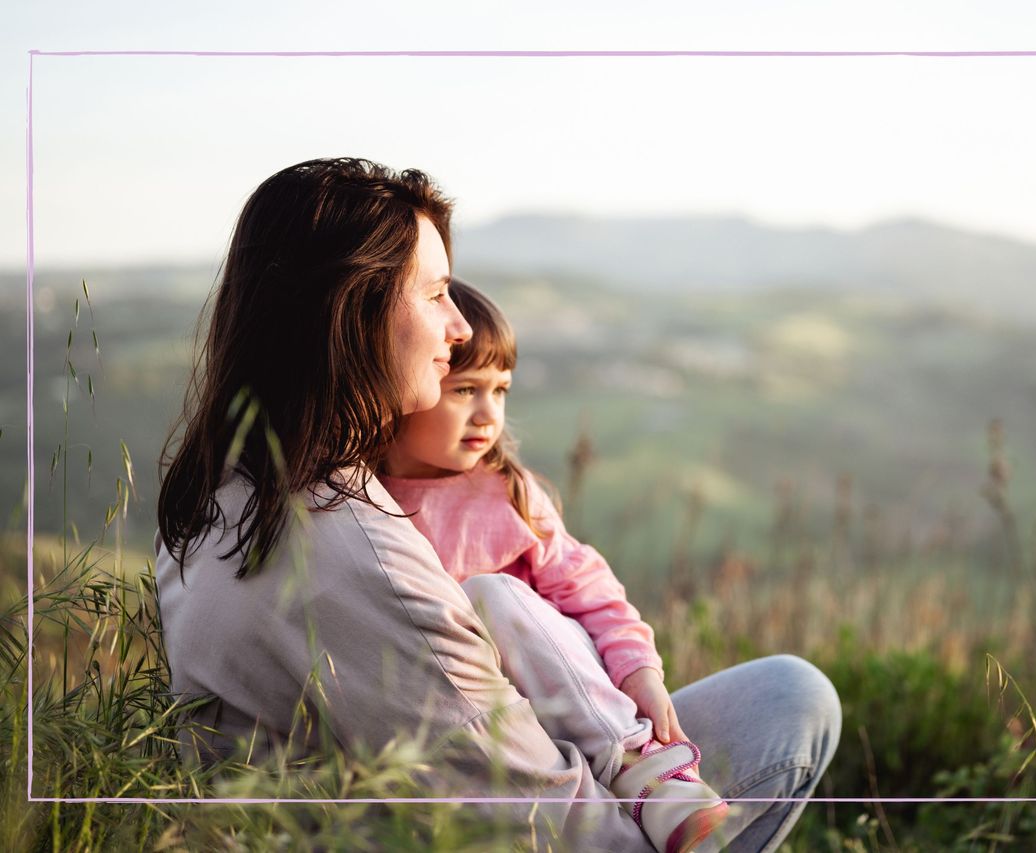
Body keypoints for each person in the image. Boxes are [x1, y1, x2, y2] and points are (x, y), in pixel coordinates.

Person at [155, 157, 841, 852]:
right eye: (434, 295)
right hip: (504, 817)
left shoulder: (222, 492)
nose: (457, 329)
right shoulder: (362, 556)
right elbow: (554, 826)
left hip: (438, 786)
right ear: (351, 312)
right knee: (793, 698)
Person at [379, 280, 729, 852]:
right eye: (464, 390)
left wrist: (640, 671)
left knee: (489, 596)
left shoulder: (507, 493)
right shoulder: (363, 502)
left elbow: (591, 592)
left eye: (501, 390)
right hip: (483, 727)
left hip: (575, 698)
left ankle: (647, 773)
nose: (488, 414)